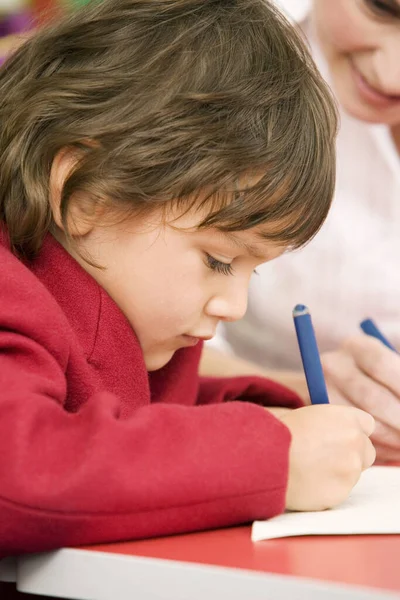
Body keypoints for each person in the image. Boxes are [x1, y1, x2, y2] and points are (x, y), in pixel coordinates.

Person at [0, 0, 375, 559]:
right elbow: (21, 469)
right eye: (219, 261)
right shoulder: (12, 291)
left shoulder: (128, 314)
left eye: (254, 272)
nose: (235, 306)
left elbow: (128, 418)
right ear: (80, 193)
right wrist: (272, 456)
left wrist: (272, 415)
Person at [203, 0, 400, 463]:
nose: (392, 75)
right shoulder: (216, 60)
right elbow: (143, 354)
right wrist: (299, 398)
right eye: (382, 11)